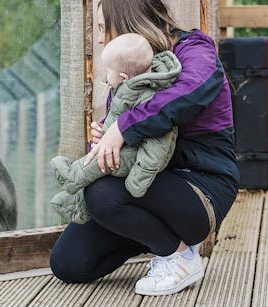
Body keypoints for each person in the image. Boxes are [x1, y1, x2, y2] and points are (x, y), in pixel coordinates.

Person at [49, 0, 239, 297]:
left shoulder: (195, 51)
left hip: (201, 187)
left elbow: (188, 94)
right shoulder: (127, 77)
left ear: (127, 23)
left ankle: (179, 257)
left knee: (101, 193)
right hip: (146, 191)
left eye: (101, 27)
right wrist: (103, 142)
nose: (99, 38)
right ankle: (155, 236)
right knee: (69, 263)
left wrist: (122, 128)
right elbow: (119, 144)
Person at [50, 33, 181, 224]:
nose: (105, 77)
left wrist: (139, 179)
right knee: (101, 156)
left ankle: (72, 176)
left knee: (102, 161)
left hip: (138, 158)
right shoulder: (129, 89)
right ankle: (79, 204)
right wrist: (104, 131)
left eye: (107, 72)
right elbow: (118, 119)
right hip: (130, 148)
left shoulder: (149, 96)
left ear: (123, 76)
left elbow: (158, 145)